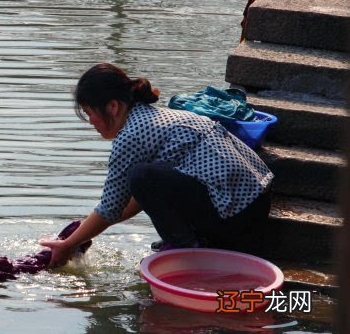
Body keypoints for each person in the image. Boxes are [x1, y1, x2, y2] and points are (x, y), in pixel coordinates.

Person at [40, 63, 273, 267]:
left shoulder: (131, 135)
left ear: (112, 107)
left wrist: (69, 244)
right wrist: (82, 231)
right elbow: (132, 200)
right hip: (256, 201)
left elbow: (112, 207)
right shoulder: (154, 117)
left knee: (141, 175)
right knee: (143, 178)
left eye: (90, 113)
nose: (90, 122)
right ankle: (185, 240)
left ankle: (188, 248)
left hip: (237, 218)